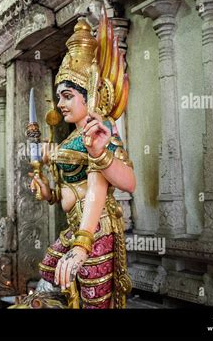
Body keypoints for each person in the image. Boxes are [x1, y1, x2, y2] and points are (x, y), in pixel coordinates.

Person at [31, 19, 136, 309]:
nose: (61, 104)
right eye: (59, 97)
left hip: (96, 228)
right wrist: (48, 193)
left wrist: (82, 245)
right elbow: (68, 187)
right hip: (76, 226)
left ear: (89, 94)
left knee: (95, 301)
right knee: (51, 274)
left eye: (68, 96)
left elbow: (115, 185)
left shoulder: (99, 131)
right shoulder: (71, 138)